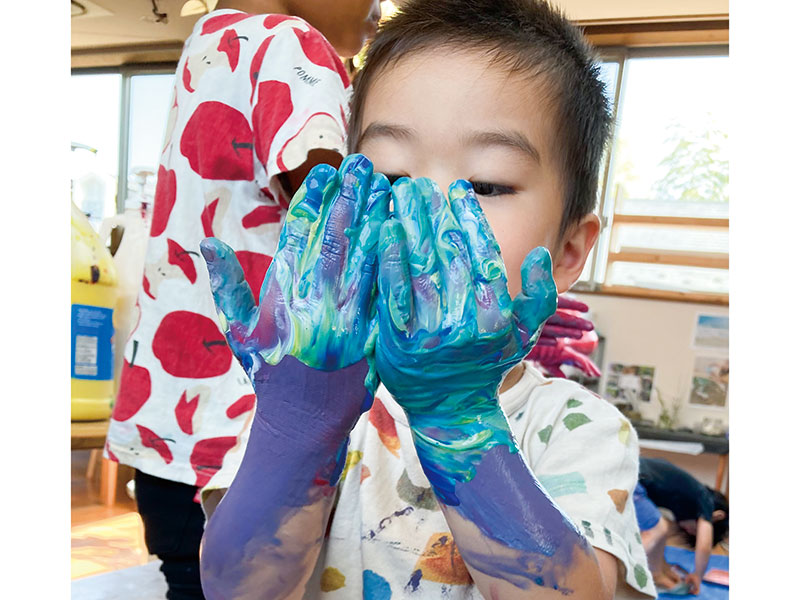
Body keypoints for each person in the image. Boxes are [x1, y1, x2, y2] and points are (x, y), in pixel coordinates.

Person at [199, 0, 657, 598]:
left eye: (486, 184)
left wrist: (458, 420)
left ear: (568, 251)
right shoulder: (301, 395)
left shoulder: (578, 429)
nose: (427, 210)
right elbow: (239, 589)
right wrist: (297, 428)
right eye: (390, 177)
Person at [102, 2, 382, 598]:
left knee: (188, 581)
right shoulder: (293, 43)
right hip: (248, 433)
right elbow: (341, 224)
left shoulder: (208, 40)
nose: (380, 8)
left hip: (174, 415)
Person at [634, 457, 729, 595]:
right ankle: (651, 576)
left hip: (632, 477)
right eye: (695, 531)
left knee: (660, 530)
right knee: (657, 529)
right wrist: (698, 575)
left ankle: (659, 572)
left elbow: (657, 547)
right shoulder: (705, 500)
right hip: (632, 477)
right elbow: (704, 546)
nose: (688, 531)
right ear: (717, 516)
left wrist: (665, 568)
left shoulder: (682, 495)